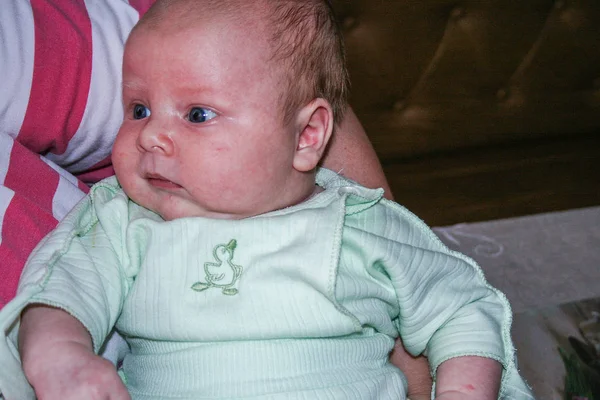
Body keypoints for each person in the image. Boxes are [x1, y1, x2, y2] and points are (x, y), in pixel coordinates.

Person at [0, 0, 533, 399]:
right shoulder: (123, 221)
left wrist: (462, 389)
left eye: (197, 114)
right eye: (138, 109)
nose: (150, 137)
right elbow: (60, 290)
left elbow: (461, 308)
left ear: (306, 137)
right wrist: (62, 355)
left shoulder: (361, 224)